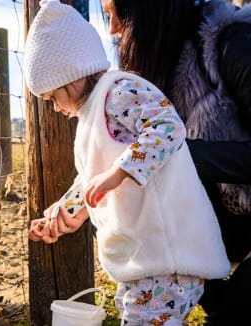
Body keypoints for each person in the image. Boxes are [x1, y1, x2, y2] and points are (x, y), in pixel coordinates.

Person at [24, 0, 231, 325]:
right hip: (145, 260)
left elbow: (168, 127)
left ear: (71, 75)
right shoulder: (92, 112)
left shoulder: (119, 90)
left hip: (169, 258)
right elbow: (93, 175)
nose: (53, 109)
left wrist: (119, 172)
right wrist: (71, 210)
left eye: (52, 98)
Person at [95, 1, 251, 324]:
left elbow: (180, 156)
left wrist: (179, 153)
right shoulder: (156, 72)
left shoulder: (231, 44)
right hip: (224, 227)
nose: (111, 29)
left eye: (115, 13)